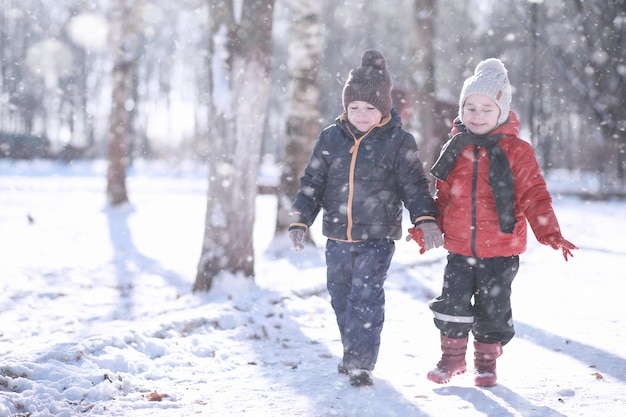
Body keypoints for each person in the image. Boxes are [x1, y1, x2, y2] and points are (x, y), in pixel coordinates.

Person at [288, 49, 443, 387]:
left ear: (384, 109)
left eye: (369, 108)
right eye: (354, 107)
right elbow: (312, 182)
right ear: (345, 106)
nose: (360, 114)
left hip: (377, 238)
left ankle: (360, 362)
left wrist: (425, 219)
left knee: (365, 296)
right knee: (339, 294)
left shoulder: (399, 141)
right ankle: (353, 349)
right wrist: (300, 219)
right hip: (336, 236)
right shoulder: (331, 137)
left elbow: (415, 186)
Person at [426, 58, 578, 387]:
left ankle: (485, 363)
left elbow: (534, 194)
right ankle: (451, 360)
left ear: (502, 112)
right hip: (459, 246)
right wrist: (429, 226)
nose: (477, 115)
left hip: (501, 249)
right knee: (452, 302)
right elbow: (443, 195)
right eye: (470, 108)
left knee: (493, 308)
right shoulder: (455, 146)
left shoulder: (517, 151)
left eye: (486, 108)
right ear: (462, 110)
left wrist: (550, 232)